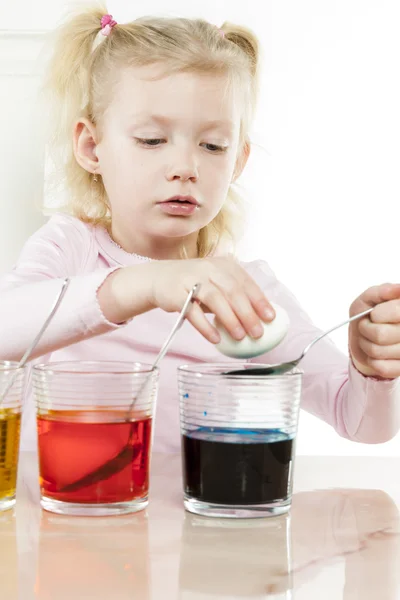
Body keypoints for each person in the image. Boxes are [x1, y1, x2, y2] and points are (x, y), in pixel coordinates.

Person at [1, 4, 399, 453]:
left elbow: (361, 423)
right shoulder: (71, 247)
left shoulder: (244, 293)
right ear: (92, 146)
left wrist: (372, 368)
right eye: (152, 140)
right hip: (74, 513)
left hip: (198, 517)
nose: (186, 167)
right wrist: (148, 282)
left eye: (213, 145)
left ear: (238, 162)